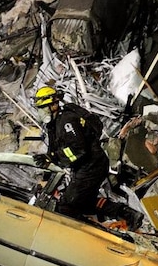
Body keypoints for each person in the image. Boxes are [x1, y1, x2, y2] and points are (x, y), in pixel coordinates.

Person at [33, 85, 110, 218]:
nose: (40, 112)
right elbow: (53, 150)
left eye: (42, 108)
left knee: (67, 206)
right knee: (85, 204)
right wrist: (46, 175)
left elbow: (78, 150)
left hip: (92, 165)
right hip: (86, 167)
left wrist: (52, 156)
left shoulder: (66, 122)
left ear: (54, 105)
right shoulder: (53, 125)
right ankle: (127, 214)